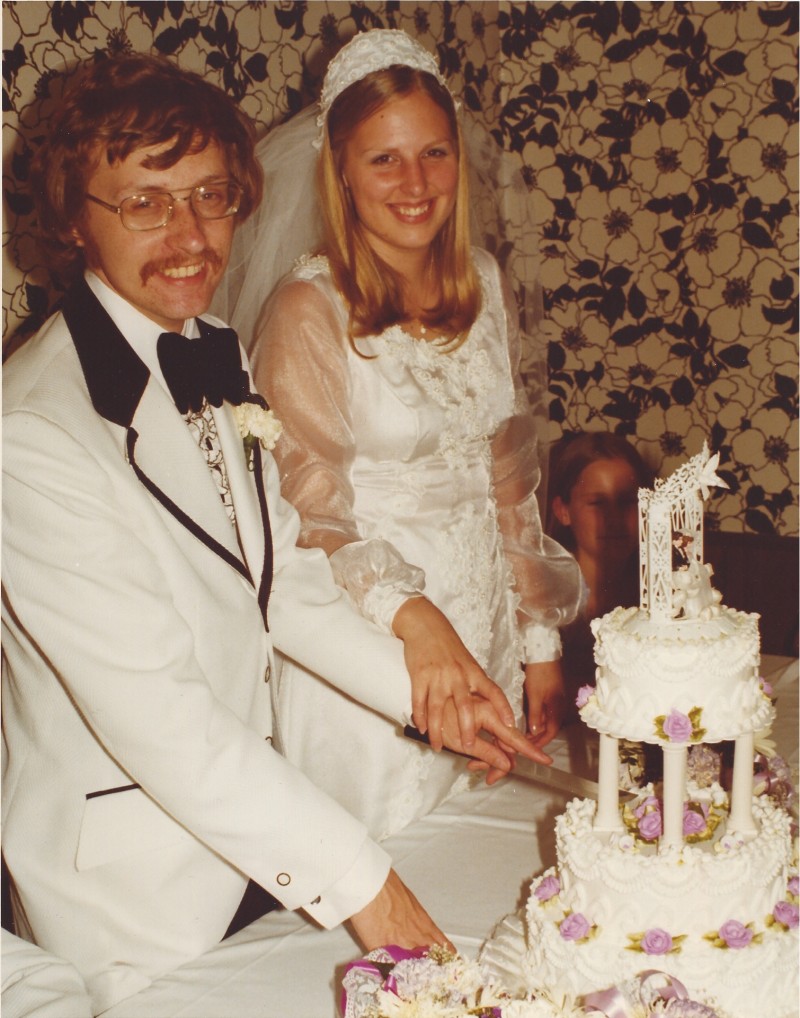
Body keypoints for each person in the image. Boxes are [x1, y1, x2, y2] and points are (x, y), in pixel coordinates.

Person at [1, 52, 551, 1016]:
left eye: (211, 195)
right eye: (145, 202)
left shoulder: (210, 349)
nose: (189, 234)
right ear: (74, 215)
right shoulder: (33, 434)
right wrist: (366, 882)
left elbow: (283, 582)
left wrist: (426, 701)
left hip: (265, 839)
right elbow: (161, 720)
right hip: (138, 898)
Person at [229, 30, 582, 842]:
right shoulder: (306, 310)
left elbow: (509, 480)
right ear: (341, 170)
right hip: (376, 651)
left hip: (481, 630)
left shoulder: (483, 282)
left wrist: (537, 642)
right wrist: (416, 621)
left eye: (433, 152)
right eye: (384, 159)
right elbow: (306, 520)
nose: (416, 183)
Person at [547, 430, 653, 715]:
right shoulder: (543, 595)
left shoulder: (657, 591)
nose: (613, 520)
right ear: (563, 510)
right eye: (597, 503)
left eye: (626, 501)